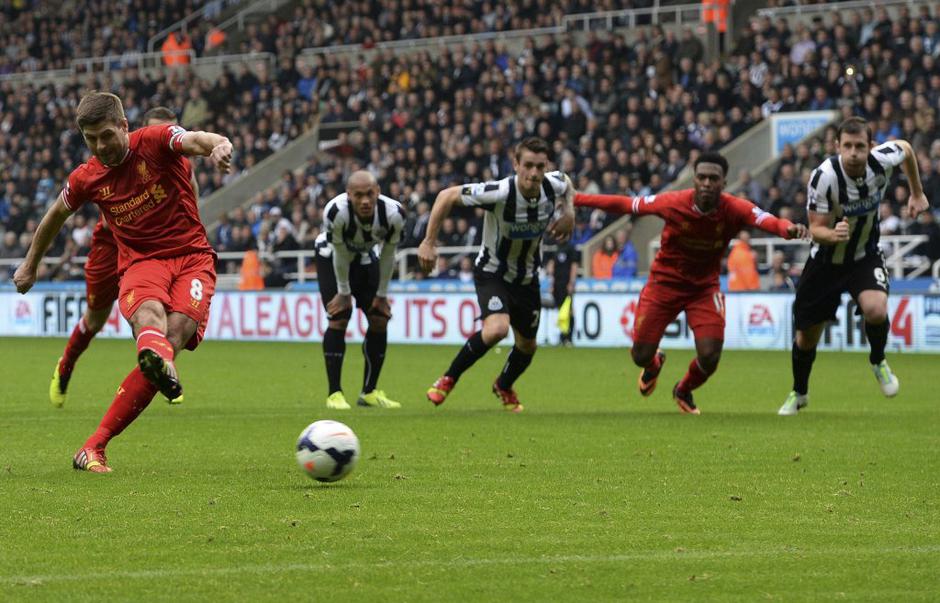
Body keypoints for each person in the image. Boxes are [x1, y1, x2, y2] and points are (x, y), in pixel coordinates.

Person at [14, 92, 232, 472]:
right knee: (147, 320)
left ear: (125, 126)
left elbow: (197, 139)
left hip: (192, 258)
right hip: (141, 262)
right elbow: (55, 215)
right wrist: (30, 264)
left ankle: (99, 438)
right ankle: (94, 432)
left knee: (176, 334)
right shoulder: (88, 176)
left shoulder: (156, 141)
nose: (100, 146)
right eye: (91, 139)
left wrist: (220, 145)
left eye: (106, 136)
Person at [573, 151, 809, 414]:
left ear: (724, 182)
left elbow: (766, 219)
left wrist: (787, 229)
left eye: (713, 178)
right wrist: (578, 199)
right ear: (694, 180)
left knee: (710, 355)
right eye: (702, 177)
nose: (707, 183)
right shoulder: (673, 202)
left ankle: (683, 389)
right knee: (640, 354)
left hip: (703, 288)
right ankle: (653, 364)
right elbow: (627, 205)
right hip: (664, 284)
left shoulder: (734, 208)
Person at [779, 117, 930, 415]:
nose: (853, 153)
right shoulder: (823, 177)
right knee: (806, 337)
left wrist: (916, 192)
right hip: (825, 260)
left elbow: (907, 149)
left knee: (876, 309)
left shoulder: (882, 161)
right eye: (846, 146)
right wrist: (832, 234)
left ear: (871, 147)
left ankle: (878, 361)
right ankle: (800, 392)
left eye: (860, 146)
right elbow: (815, 228)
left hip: (864, 254)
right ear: (837, 147)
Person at [49, 107, 197, 407]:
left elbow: (191, 200)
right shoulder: (125, 157)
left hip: (156, 251)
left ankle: (164, 364)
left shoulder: (179, 163)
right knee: (94, 320)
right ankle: (65, 367)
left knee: (163, 313)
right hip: (111, 246)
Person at [418, 137, 575, 412]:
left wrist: (569, 212)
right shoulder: (499, 193)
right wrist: (429, 242)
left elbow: (568, 183)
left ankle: (503, 384)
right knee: (497, 329)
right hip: (493, 273)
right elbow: (447, 196)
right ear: (515, 165)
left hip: (527, 279)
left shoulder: (554, 184)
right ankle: (448, 378)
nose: (534, 173)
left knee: (528, 346)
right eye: (527, 165)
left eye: (540, 166)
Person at [315, 170, 405, 410]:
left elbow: (388, 254)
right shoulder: (336, 212)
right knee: (339, 317)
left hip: (366, 257)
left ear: (377, 192)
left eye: (369, 194)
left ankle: (369, 391)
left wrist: (382, 295)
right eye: (358, 196)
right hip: (331, 257)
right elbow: (340, 253)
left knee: (380, 317)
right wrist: (344, 292)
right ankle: (334, 393)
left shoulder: (394, 214)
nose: (365, 201)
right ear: (348, 195)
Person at [547, 237, 579, 346]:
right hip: (557, 285)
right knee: (561, 310)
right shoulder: (556, 248)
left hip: (566, 284)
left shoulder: (571, 248)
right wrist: (552, 284)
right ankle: (562, 336)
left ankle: (569, 337)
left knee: (569, 310)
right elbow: (552, 268)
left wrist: (571, 282)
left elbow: (574, 266)